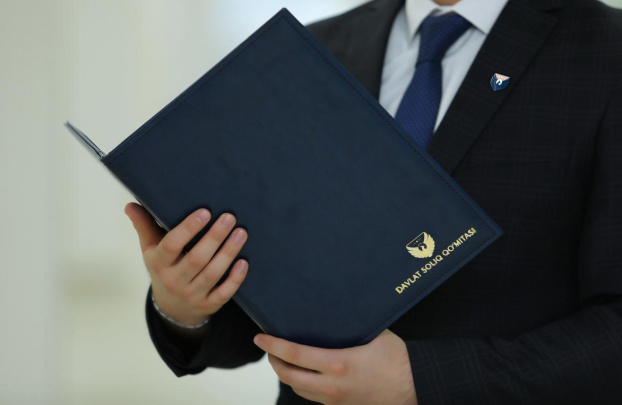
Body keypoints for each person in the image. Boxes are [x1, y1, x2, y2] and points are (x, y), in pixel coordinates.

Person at [123, 0, 622, 403]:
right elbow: (260, 319)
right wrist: (185, 306)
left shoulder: (607, 51)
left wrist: (421, 379)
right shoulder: (312, 49)